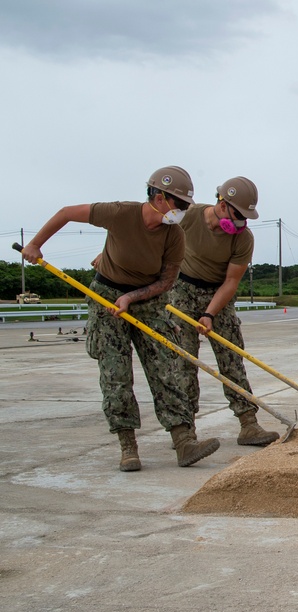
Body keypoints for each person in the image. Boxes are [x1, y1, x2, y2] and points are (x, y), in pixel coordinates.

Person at [20, 166, 220, 471]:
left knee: (166, 369)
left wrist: (132, 298)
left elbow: (167, 281)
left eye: (185, 206)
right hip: (106, 297)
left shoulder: (174, 235)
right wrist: (36, 244)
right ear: (158, 197)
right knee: (116, 374)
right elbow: (66, 213)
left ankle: (184, 442)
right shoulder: (120, 213)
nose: (181, 211)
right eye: (178, 204)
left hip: (147, 301)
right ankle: (128, 447)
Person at [167, 176, 278, 447]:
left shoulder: (244, 239)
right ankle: (185, 432)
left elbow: (231, 282)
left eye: (246, 218)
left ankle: (248, 424)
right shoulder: (188, 216)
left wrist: (209, 314)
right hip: (182, 291)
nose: (241, 223)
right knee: (183, 362)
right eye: (238, 215)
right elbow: (150, 231)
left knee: (231, 358)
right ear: (222, 203)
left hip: (218, 293)